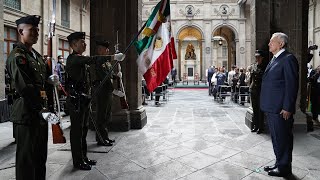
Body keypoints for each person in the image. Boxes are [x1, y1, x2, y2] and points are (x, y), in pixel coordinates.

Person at [65, 32, 125, 170]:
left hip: (83, 99)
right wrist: (112, 57)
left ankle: (83, 157)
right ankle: (78, 161)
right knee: (77, 132)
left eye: (84, 41)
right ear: (74, 45)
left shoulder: (80, 58)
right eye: (81, 41)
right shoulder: (74, 59)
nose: (85, 44)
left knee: (84, 130)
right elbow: (93, 60)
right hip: (76, 101)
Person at [6, 15, 53, 180]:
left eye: (37, 30)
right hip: (26, 114)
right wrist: (42, 110)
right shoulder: (18, 56)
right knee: (27, 161)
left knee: (40, 158)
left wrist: (50, 107)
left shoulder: (37, 56)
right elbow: (25, 88)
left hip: (40, 114)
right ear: (20, 31)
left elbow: (44, 84)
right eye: (32, 30)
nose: (36, 33)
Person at [260, 32, 299, 177]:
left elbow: (291, 85)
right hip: (272, 107)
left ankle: (284, 168)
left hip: (280, 109)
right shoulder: (275, 59)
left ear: (280, 44)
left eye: (272, 41)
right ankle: (279, 163)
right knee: (276, 138)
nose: (269, 44)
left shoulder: (288, 59)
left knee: (283, 138)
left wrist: (288, 107)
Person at [94, 39, 120, 146]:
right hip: (102, 91)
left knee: (107, 115)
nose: (108, 51)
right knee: (101, 115)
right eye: (106, 49)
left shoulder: (107, 62)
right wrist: (113, 90)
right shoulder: (99, 61)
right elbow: (103, 77)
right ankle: (100, 139)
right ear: (100, 50)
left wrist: (116, 76)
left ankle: (105, 137)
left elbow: (110, 74)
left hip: (107, 91)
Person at [250, 50, 267, 134]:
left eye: (258, 57)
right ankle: (255, 126)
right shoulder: (253, 66)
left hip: (261, 91)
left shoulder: (265, 67)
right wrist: (250, 88)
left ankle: (261, 127)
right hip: (253, 90)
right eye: (256, 57)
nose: (257, 58)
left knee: (260, 110)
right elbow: (251, 79)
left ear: (262, 58)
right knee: (255, 109)